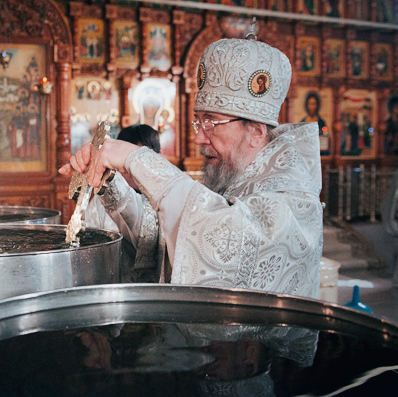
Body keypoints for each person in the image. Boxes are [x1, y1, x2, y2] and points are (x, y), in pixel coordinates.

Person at [60, 36, 323, 299]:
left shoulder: (294, 198)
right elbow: (178, 240)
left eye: (212, 123)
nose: (198, 137)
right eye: (199, 122)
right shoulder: (238, 175)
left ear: (255, 131)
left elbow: (222, 245)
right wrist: (110, 183)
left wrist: (136, 157)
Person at [85, 124, 163, 282]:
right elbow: (89, 241)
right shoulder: (104, 199)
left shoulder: (168, 199)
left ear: (158, 158)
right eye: (126, 163)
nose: (132, 171)